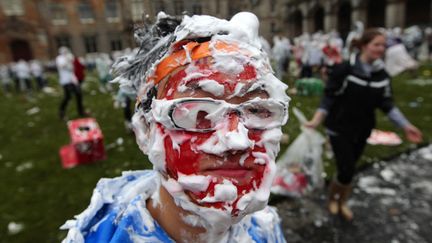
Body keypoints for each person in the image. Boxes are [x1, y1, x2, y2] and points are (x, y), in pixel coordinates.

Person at [61, 12, 289, 242]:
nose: (237, 140)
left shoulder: (266, 227)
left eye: (258, 111)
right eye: (198, 113)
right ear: (145, 129)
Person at [305, 29, 423, 221]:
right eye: (376, 44)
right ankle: (334, 200)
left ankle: (341, 200)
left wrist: (406, 126)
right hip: (338, 127)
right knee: (347, 169)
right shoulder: (345, 69)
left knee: (349, 169)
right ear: (363, 46)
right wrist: (316, 120)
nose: (381, 49)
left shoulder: (382, 75)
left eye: (383, 45)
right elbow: (328, 97)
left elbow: (387, 104)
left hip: (362, 130)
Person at [56, 46, 86, 120]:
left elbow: (72, 71)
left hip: (72, 80)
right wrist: (67, 59)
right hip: (65, 81)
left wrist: (75, 79)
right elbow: (61, 66)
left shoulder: (70, 59)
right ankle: (62, 113)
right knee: (67, 97)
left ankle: (81, 111)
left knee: (79, 95)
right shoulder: (59, 58)